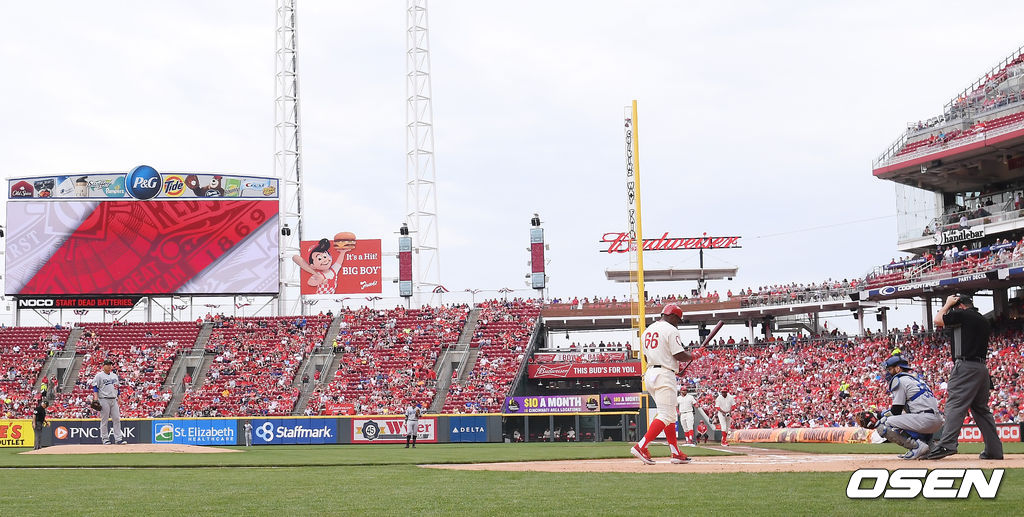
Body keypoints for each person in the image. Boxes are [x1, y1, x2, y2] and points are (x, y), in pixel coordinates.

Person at [926, 294, 1003, 460]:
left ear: (960, 305)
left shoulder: (962, 314)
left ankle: (947, 445)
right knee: (981, 410)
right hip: (981, 368)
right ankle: (994, 450)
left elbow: (938, 320)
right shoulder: (982, 319)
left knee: (954, 405)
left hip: (966, 367)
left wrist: (947, 304)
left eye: (955, 306)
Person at [630, 304, 702, 465]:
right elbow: (679, 354)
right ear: (672, 316)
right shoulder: (671, 329)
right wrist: (693, 355)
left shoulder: (647, 330)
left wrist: (675, 369)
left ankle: (675, 452)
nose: (678, 323)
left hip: (650, 373)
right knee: (667, 415)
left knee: (669, 414)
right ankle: (641, 446)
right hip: (664, 375)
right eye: (678, 320)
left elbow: (648, 358)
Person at [874, 355, 944, 459]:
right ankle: (930, 448)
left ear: (898, 368)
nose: (888, 372)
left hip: (924, 420)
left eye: (890, 369)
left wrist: (878, 416)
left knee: (884, 423)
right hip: (937, 421)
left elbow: (896, 411)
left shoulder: (899, 380)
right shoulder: (917, 379)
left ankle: (916, 447)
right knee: (908, 416)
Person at [91, 360, 125, 445]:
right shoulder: (99, 376)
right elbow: (95, 387)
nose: (109, 366)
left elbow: (117, 388)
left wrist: (119, 398)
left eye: (110, 365)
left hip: (114, 399)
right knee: (104, 420)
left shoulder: (114, 376)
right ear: (103, 366)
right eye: (107, 365)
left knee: (116, 419)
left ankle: (118, 439)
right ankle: (105, 439)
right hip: (104, 399)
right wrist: (96, 398)